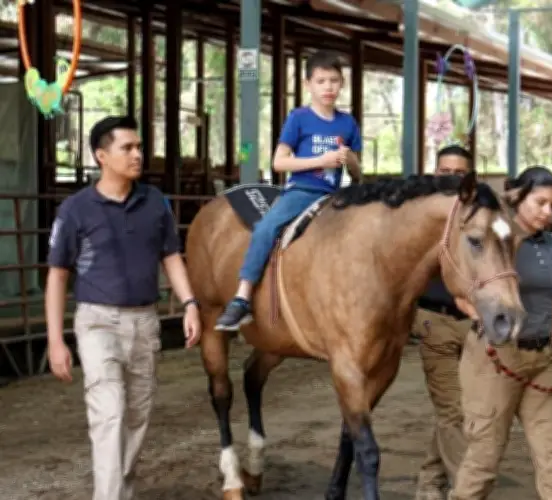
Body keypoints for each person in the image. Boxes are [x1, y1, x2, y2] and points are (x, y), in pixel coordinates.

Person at [45, 115, 203, 500]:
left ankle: (119, 492)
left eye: (139, 147)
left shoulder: (155, 203)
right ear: (102, 156)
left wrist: (190, 304)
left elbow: (171, 257)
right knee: (109, 415)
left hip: (144, 322)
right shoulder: (76, 210)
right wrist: (55, 340)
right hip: (97, 322)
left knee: (136, 418)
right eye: (127, 148)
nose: (138, 155)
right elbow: (57, 276)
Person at [449, 166, 552, 500]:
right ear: (518, 198)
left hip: (541, 360)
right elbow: (461, 294)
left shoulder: (549, 244)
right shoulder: (495, 237)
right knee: (484, 457)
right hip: (496, 359)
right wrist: (483, 320)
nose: (548, 212)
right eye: (540, 202)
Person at [216, 50, 362, 330]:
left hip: (335, 196)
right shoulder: (299, 118)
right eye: (321, 81)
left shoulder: (348, 123)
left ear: (342, 83)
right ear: (308, 84)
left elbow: (356, 173)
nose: (328, 87)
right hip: (303, 191)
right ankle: (242, 297)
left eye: (334, 80)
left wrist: (350, 160)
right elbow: (279, 161)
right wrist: (321, 160)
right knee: (265, 228)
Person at [414, 144, 475, 500]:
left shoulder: (475, 216)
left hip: (472, 323)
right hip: (434, 321)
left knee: (468, 408)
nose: (449, 178)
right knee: (453, 410)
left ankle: (429, 482)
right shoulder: (419, 217)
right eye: (444, 171)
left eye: (457, 173)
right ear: (434, 172)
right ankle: (466, 489)